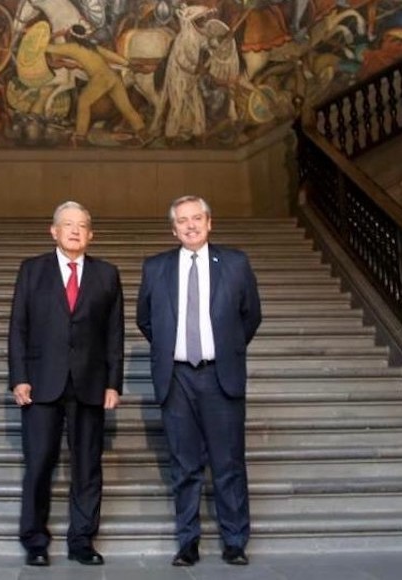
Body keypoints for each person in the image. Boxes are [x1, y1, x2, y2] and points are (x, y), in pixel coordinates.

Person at [136, 195, 262, 566]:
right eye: (182, 220)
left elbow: (250, 316)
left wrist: (225, 349)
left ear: (210, 222)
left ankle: (235, 541)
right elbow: (146, 320)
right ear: (173, 228)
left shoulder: (235, 263)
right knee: (184, 464)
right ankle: (188, 541)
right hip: (176, 379)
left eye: (197, 218)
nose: (190, 225)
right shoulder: (155, 267)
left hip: (219, 376)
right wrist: (171, 351)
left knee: (228, 463)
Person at [8, 201, 124, 567]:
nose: (75, 230)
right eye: (67, 224)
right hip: (42, 383)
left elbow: (114, 334)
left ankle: (82, 541)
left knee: (88, 466)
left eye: (82, 225)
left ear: (91, 234)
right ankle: (35, 541)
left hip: (89, 383)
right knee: (39, 463)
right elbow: (18, 329)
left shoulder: (107, 274)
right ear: (53, 231)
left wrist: (113, 382)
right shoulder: (32, 270)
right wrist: (19, 377)